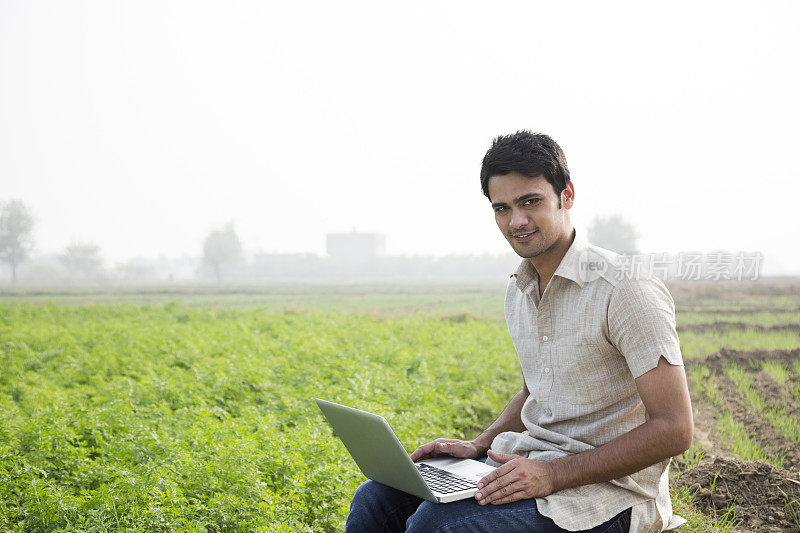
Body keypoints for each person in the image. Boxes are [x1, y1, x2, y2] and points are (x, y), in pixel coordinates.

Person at [346, 131, 694, 532]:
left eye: (531, 202)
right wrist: (478, 445)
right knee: (376, 496)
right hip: (530, 464)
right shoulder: (520, 286)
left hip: (608, 495)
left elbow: (674, 429)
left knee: (439, 524)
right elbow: (537, 390)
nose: (517, 221)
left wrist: (553, 475)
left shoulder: (626, 289)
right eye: (502, 208)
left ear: (567, 195)